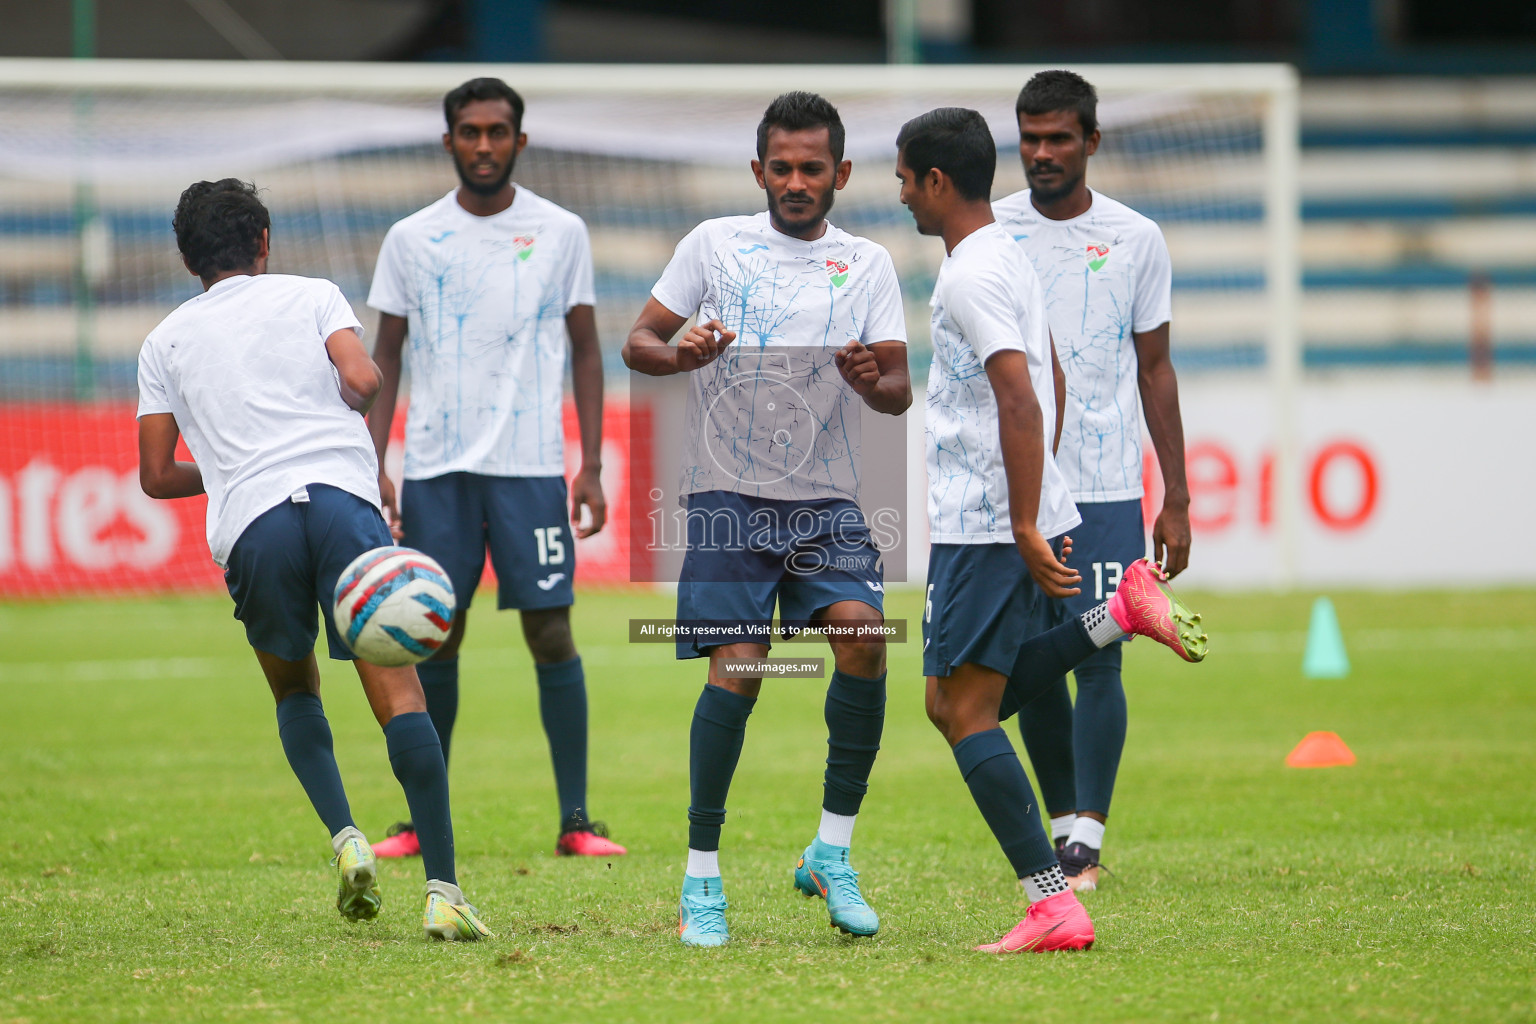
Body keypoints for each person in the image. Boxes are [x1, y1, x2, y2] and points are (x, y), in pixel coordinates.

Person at [136, 178, 489, 941]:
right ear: (263, 242)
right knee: (401, 696)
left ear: (187, 257)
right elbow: (362, 379)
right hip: (339, 503)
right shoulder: (314, 294)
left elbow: (158, 476)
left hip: (253, 524)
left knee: (296, 690)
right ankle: (444, 892)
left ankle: (347, 837)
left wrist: (237, 465)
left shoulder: (163, 341)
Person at [894, 107, 1205, 953]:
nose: (899, 196)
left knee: (961, 712)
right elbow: (1055, 374)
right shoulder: (1006, 254)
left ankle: (1052, 902)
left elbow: (1021, 395)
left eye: (901, 178)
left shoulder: (971, 275)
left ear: (935, 180)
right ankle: (1119, 615)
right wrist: (1048, 492)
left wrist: (1025, 517)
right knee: (956, 700)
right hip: (1003, 513)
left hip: (987, 525)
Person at [624, 91, 911, 947]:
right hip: (725, 494)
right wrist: (683, 354)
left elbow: (897, 390)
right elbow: (638, 340)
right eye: (780, 167)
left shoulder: (869, 265)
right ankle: (700, 878)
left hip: (826, 500)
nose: (795, 181)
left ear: (841, 175)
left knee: (864, 637)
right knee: (740, 670)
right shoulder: (712, 245)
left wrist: (870, 378)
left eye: (811, 168)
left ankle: (832, 851)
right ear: (759, 171)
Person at [365, 77, 625, 859]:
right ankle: (420, 823)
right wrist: (371, 461)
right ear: (448, 141)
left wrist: (589, 463)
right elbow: (386, 353)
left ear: (520, 139)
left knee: (550, 631)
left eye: (498, 131)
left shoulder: (560, 231)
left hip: (530, 468)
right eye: (470, 132)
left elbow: (586, 346)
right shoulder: (412, 238)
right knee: (431, 634)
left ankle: (577, 821)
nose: (484, 144)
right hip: (436, 469)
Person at [994, 70, 1193, 892]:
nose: (1042, 153)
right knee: (1030, 660)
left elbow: (1155, 367)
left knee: (1103, 657)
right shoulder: (991, 233)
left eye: (1058, 138)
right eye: (1030, 138)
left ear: (1091, 142)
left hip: (1109, 482)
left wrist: (1175, 494)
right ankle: (1065, 823)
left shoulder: (1137, 238)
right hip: (1027, 485)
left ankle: (1089, 838)